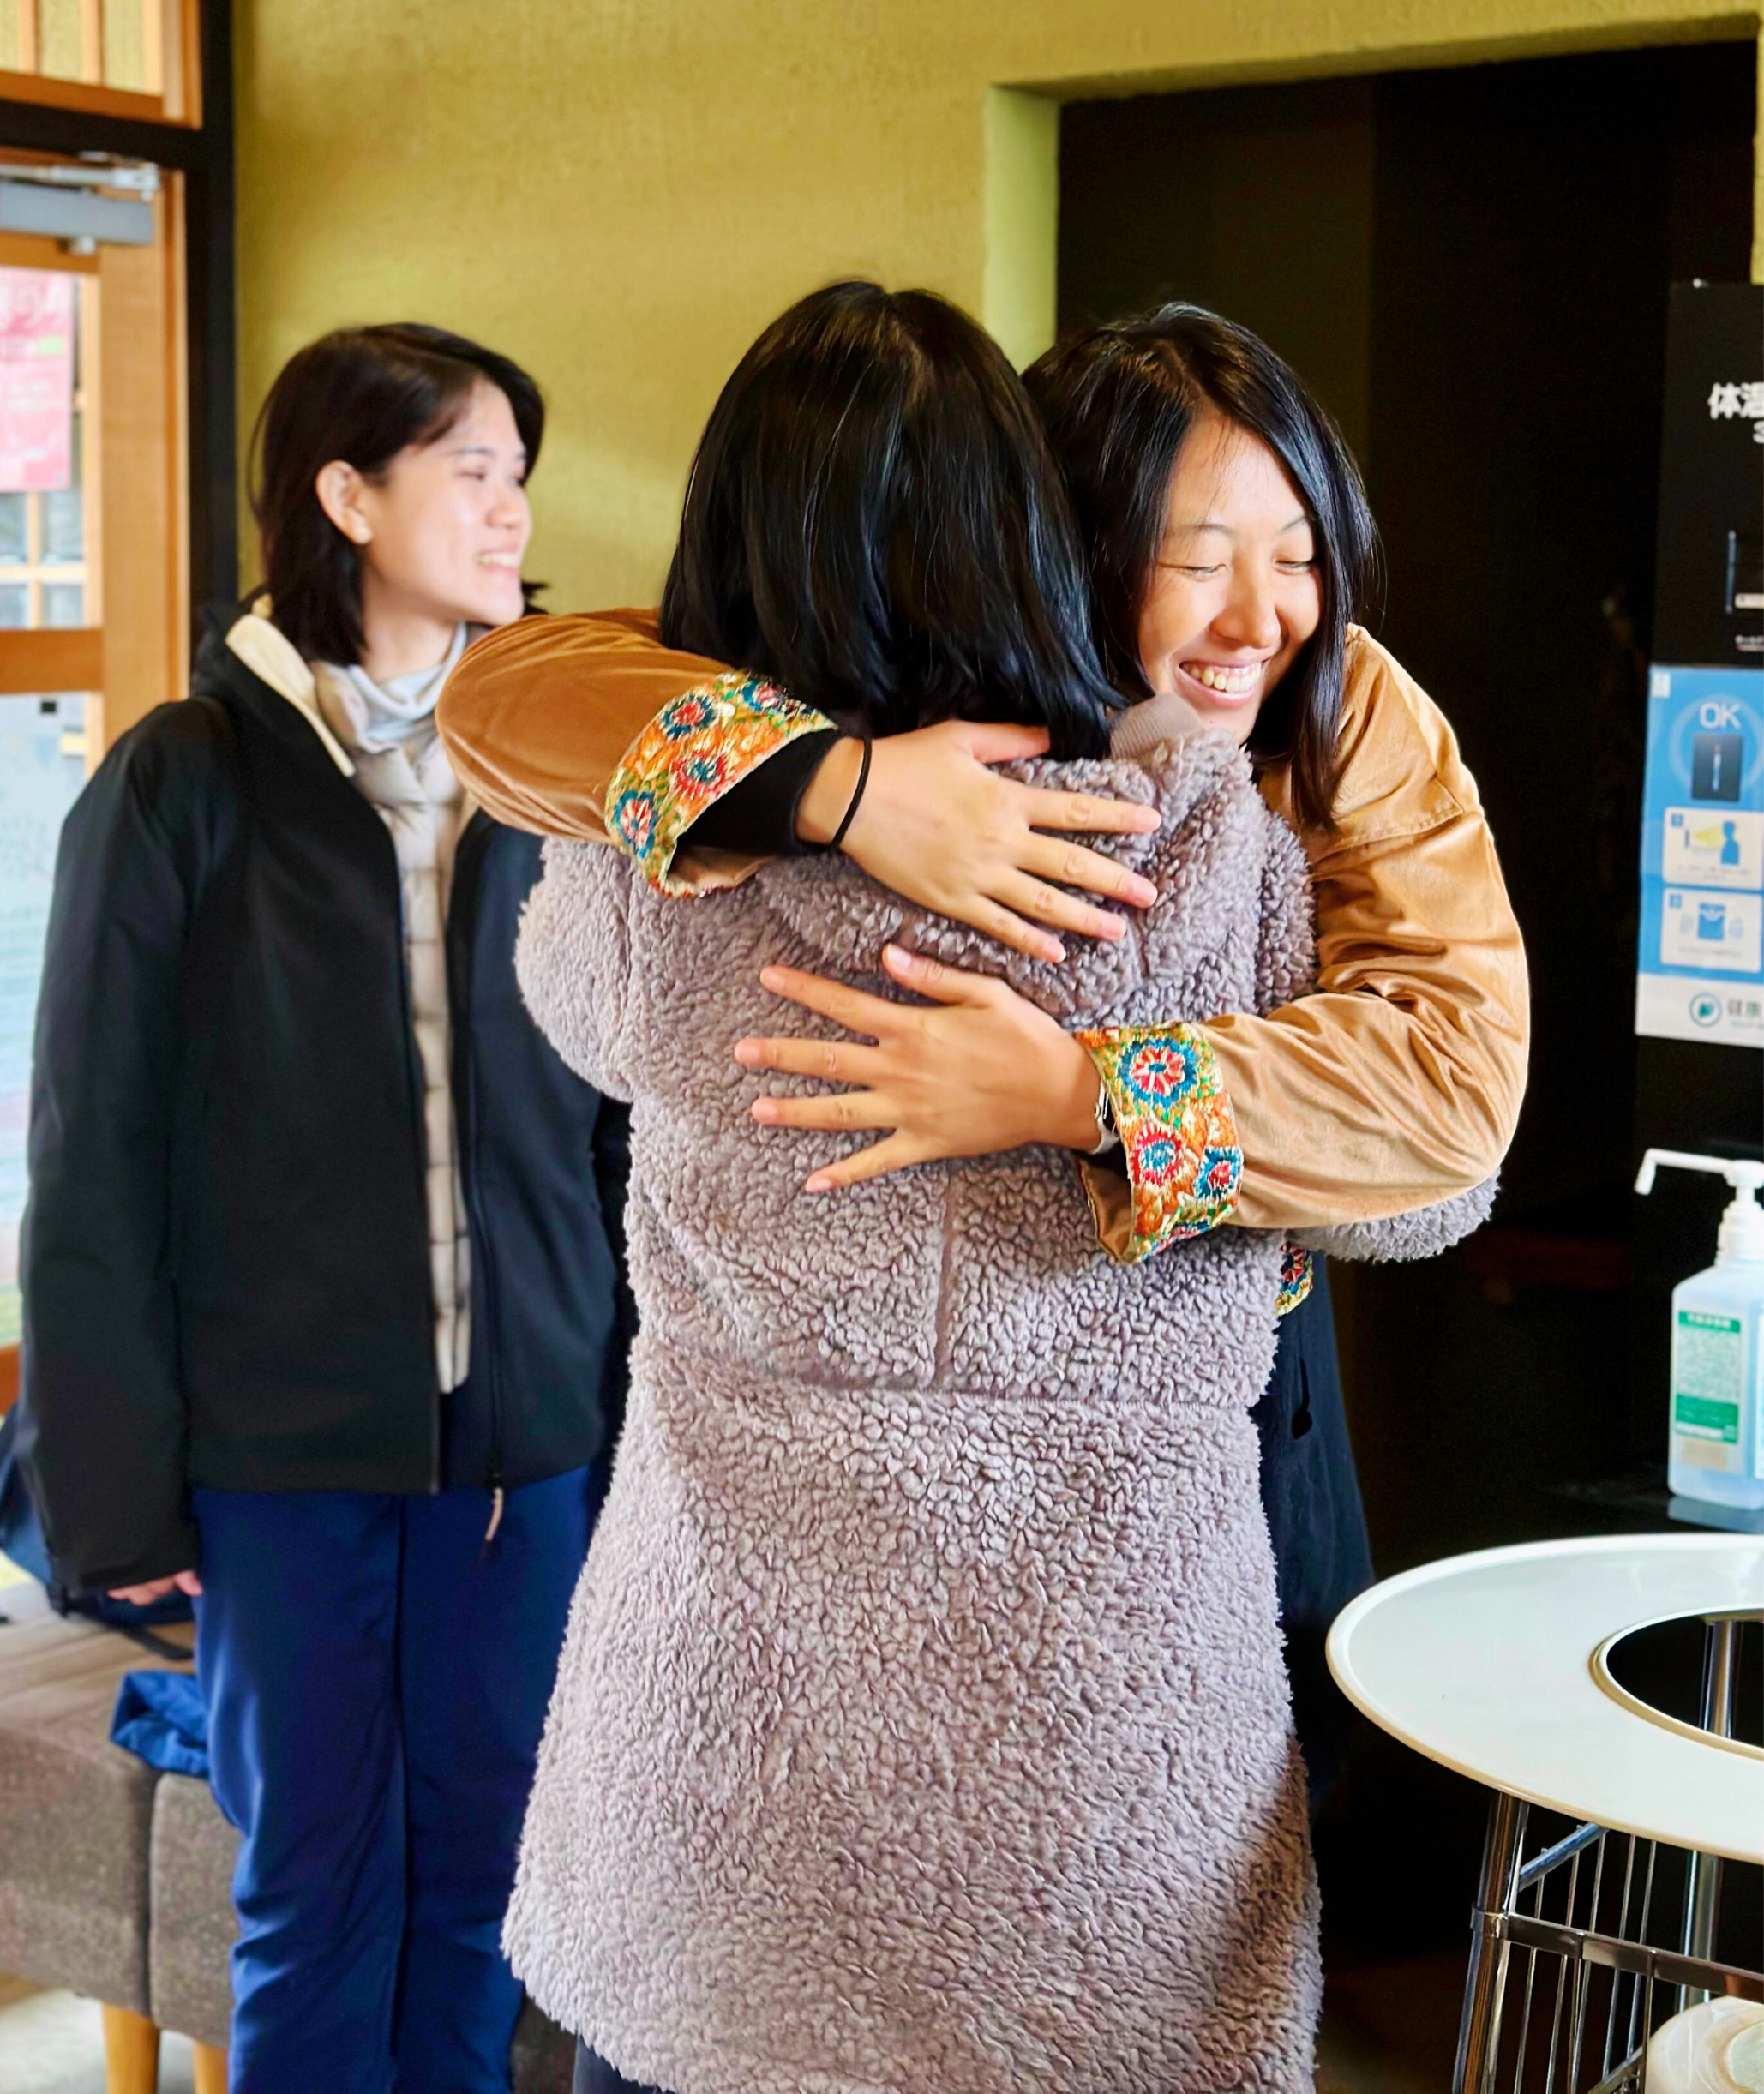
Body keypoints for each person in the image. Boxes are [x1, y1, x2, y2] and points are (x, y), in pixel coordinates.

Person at [497, 279, 1491, 2094]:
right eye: (1204, 556)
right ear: (1054, 538)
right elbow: (1421, 1191)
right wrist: (835, 787)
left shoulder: (1334, 725)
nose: (1266, 613)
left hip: (735, 1762)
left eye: (1300, 552)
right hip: (1098, 1752)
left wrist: (1083, 1088)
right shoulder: (1218, 854)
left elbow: (1445, 1114)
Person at [19, 323, 631, 2094]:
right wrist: (115, 1487)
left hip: (524, 1447)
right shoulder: (181, 782)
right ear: (347, 495)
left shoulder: (560, 785)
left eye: (521, 473)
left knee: (488, 1895)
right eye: (475, 470)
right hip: (284, 1452)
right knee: (311, 1892)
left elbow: (612, 1125)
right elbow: (95, 1158)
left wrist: (620, 1407)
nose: (513, 510)